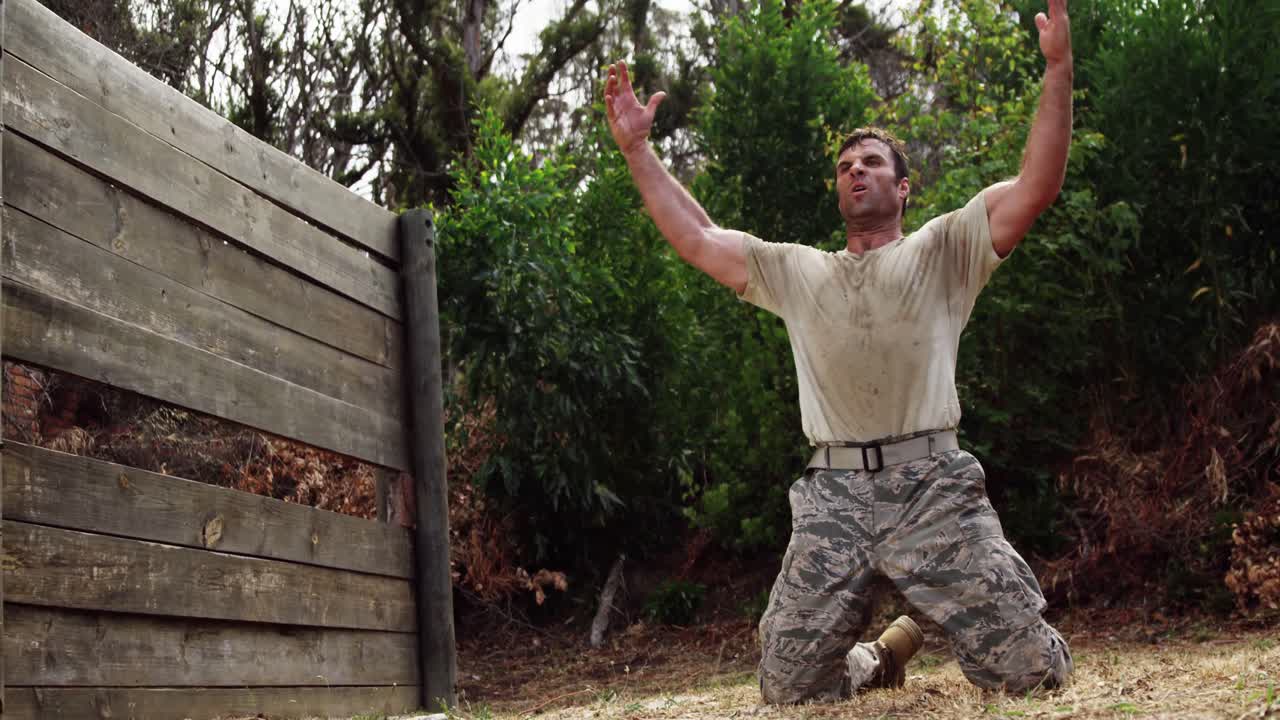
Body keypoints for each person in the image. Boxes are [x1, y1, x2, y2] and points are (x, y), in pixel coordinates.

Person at [603, 0, 1075, 705]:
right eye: (846, 165)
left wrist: (1059, 69)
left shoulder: (945, 248)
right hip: (833, 499)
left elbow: (1037, 185)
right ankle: (879, 657)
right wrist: (639, 149)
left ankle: (992, 626)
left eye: (873, 162)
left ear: (902, 185)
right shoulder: (799, 270)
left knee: (1034, 677)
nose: (857, 171)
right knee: (788, 691)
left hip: (933, 488)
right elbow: (698, 238)